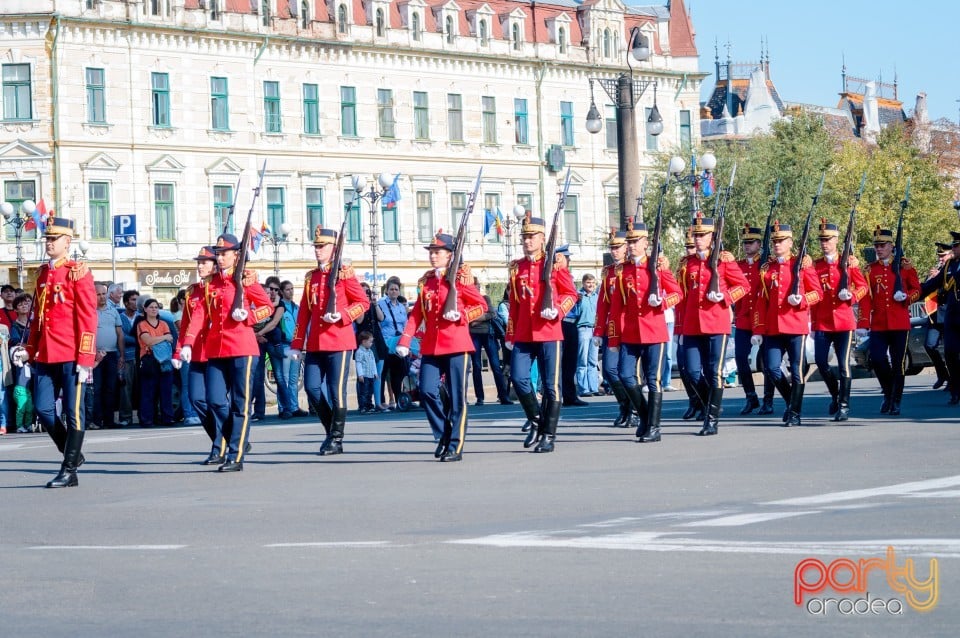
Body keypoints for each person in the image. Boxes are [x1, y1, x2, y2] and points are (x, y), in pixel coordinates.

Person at [11, 217, 97, 488]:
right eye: (46, 239)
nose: (48, 243)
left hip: (72, 354)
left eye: (54, 239)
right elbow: (38, 318)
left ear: (67, 242)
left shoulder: (77, 272)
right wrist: (29, 350)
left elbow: (87, 317)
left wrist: (86, 357)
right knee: (43, 408)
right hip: (47, 354)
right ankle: (72, 453)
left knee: (74, 412)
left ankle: (69, 469)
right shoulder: (44, 274)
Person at [179, 233, 272, 472]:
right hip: (217, 349)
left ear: (236, 255)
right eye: (218, 254)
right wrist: (188, 342)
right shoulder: (212, 283)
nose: (220, 258)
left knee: (239, 404)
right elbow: (200, 314)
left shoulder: (245, 279)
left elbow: (267, 307)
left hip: (242, 348)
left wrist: (249, 317)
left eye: (224, 254)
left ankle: (235, 455)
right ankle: (234, 440)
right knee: (215, 401)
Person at [395, 230, 486, 461]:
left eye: (438, 252)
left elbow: (481, 306)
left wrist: (462, 315)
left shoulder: (460, 279)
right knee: (426, 390)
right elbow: (417, 314)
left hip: (456, 344)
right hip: (432, 346)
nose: (433, 256)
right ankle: (443, 433)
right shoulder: (426, 281)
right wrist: (405, 339)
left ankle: (455, 445)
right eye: (432, 252)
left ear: (450, 255)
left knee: (456, 398)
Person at [290, 225, 370, 455]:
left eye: (322, 246)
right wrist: (297, 344)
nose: (317, 250)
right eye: (315, 246)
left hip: (339, 341)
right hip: (315, 342)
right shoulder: (311, 278)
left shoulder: (345, 274)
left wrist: (343, 315)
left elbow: (363, 303)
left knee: (336, 391)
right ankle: (330, 430)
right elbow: (304, 312)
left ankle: (336, 438)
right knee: (312, 388)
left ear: (334, 249)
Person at [505, 213, 578, 453]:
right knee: (518, 378)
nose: (527, 241)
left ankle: (549, 435)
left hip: (549, 332)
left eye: (532, 236)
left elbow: (570, 294)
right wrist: (510, 334)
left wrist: (557, 311)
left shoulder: (554, 264)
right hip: (524, 334)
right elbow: (514, 305)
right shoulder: (517, 268)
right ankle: (537, 420)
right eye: (524, 237)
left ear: (542, 238)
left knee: (550, 386)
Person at [605, 219, 682, 442]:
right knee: (625, 375)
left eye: (635, 241)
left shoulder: (657, 266)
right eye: (628, 242)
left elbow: (677, 293)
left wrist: (662, 301)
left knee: (652, 380)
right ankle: (647, 415)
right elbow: (616, 306)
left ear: (646, 242)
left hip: (654, 332)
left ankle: (654, 428)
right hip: (630, 333)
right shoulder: (622, 271)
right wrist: (613, 339)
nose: (630, 245)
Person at [676, 212, 750, 436]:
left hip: (716, 323)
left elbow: (744, 286)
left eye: (703, 235)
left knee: (714, 371)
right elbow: (682, 294)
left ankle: (712, 419)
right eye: (695, 235)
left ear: (712, 237)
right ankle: (710, 402)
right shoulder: (687, 264)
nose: (698, 239)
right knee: (691, 371)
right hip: (691, 324)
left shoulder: (723, 261)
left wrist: (725, 297)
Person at [752, 221, 823, 426]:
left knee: (796, 369)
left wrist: (802, 300)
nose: (777, 244)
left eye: (781, 241)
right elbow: (760, 301)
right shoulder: (767, 268)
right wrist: (757, 328)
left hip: (795, 325)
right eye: (775, 241)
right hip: (772, 327)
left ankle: (794, 413)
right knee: (773, 368)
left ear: (790, 242)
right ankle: (792, 401)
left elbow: (817, 293)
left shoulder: (801, 265)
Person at [857, 226, 922, 415]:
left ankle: (896, 400)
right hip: (879, 323)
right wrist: (863, 323)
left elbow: (917, 289)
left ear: (891, 246)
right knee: (876, 359)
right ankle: (887, 392)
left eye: (882, 245)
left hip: (899, 323)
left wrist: (907, 297)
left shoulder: (905, 267)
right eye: (876, 245)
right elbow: (866, 299)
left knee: (898, 362)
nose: (879, 249)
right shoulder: (870, 270)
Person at [810, 220, 868, 421]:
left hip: (844, 322)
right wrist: (813, 322)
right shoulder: (816, 266)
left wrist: (851, 296)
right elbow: (813, 295)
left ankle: (844, 405)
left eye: (828, 239)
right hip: (823, 322)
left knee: (843, 364)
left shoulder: (848, 264)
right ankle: (835, 394)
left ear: (836, 240)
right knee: (820, 361)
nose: (824, 243)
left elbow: (863, 287)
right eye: (822, 240)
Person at [174, 246, 221, 462]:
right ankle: (223, 436)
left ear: (215, 265)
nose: (200, 266)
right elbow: (185, 325)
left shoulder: (221, 287)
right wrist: (178, 351)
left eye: (205, 262)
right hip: (195, 353)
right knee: (196, 398)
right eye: (199, 262)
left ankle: (221, 443)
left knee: (216, 400)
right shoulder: (192, 292)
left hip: (216, 352)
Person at [593, 229, 632, 427]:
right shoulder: (608, 272)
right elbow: (603, 303)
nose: (614, 251)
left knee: (628, 372)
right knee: (609, 370)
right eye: (612, 247)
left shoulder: (632, 268)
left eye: (618, 247)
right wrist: (598, 330)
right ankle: (624, 406)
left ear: (626, 248)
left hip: (631, 327)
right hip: (613, 327)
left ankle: (633, 410)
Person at [733, 224, 770, 415]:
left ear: (759, 244)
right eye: (745, 243)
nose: (747, 246)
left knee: (767, 362)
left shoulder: (765, 264)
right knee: (740, 358)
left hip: (763, 320)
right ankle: (750, 396)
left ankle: (768, 399)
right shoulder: (738, 265)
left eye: (751, 242)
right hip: (743, 319)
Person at [919, 232, 960, 405]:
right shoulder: (949, 265)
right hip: (952, 316)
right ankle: (955, 389)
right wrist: (912, 293)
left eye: (957, 246)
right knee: (950, 353)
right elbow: (932, 285)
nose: (954, 248)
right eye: (954, 245)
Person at [466, 277, 511, 406]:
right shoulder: (467, 300)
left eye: (478, 285)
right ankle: (480, 397)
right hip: (473, 336)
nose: (478, 287)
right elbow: (466, 318)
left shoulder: (485, 298)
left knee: (496, 366)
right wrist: (480, 318)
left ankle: (503, 396)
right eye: (475, 285)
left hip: (488, 335)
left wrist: (475, 320)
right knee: (477, 366)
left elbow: (491, 313)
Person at [555, 245, 586, 407]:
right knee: (561, 362)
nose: (569, 260)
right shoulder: (557, 273)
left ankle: (570, 395)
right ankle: (559, 394)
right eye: (567, 258)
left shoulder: (567, 275)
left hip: (571, 323)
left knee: (570, 362)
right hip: (561, 322)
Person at [89, 283, 124, 429]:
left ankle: (109, 420)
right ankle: (96, 420)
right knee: (96, 389)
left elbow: (120, 334)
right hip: (95, 356)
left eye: (104, 294)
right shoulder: (90, 312)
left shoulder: (114, 311)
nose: (102, 297)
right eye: (98, 294)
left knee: (110, 388)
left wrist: (121, 355)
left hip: (111, 355)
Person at [137, 297, 175, 427]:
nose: (154, 309)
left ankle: (167, 418)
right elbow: (147, 340)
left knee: (166, 391)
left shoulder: (164, 324)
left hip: (164, 360)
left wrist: (156, 340)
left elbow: (170, 339)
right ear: (145, 309)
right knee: (148, 391)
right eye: (151, 307)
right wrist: (162, 338)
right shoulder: (142, 324)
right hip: (149, 359)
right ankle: (147, 419)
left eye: (156, 307)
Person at [256, 276, 287, 419]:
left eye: (275, 289)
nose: (272, 292)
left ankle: (286, 408)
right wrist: (257, 336)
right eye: (270, 289)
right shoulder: (257, 304)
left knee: (279, 376)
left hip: (273, 342)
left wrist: (258, 334)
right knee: (258, 376)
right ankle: (259, 411)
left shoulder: (279, 304)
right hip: (259, 342)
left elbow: (274, 323)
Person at [923, 243, 953, 392]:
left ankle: (953, 381)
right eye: (939, 256)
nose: (941, 259)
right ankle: (943, 374)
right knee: (929, 345)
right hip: (934, 315)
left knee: (951, 350)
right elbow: (926, 289)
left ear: (951, 254)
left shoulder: (953, 268)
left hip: (950, 313)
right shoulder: (937, 271)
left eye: (943, 255)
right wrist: (930, 278)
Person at [375, 278, 408, 411]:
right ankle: (381, 402)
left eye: (396, 289)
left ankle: (399, 399)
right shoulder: (381, 304)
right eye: (391, 289)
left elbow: (405, 324)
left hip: (398, 342)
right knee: (383, 373)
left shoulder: (401, 307)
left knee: (398, 373)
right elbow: (379, 320)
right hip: (385, 341)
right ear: (386, 291)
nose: (394, 291)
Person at [279, 280, 307, 417]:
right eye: (288, 289)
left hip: (296, 346)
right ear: (282, 292)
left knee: (294, 378)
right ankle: (284, 407)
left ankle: (294, 406)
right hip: (284, 345)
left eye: (292, 289)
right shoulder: (280, 307)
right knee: (283, 377)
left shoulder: (296, 307)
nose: (291, 291)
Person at [9, 294, 34, 433]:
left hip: (36, 361)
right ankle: (20, 425)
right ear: (16, 309)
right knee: (22, 393)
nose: (25, 306)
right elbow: (15, 342)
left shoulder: (35, 322)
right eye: (20, 304)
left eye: (27, 303)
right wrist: (28, 346)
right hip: (23, 363)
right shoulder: (15, 326)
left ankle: (32, 422)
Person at [117, 289, 140, 427]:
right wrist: (139, 339)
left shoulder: (140, 317)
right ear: (126, 302)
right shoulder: (120, 317)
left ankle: (144, 415)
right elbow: (121, 337)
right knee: (125, 388)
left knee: (142, 388)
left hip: (141, 357)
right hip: (126, 357)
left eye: (137, 299)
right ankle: (125, 417)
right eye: (133, 299)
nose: (135, 302)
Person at [576, 273, 600, 397]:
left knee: (593, 360)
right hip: (583, 329)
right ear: (583, 283)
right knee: (582, 360)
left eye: (593, 283)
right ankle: (583, 388)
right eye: (588, 282)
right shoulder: (579, 296)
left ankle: (594, 387)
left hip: (595, 330)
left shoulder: (597, 297)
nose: (591, 285)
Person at [355, 331, 377, 413]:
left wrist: (375, 372)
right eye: (370, 341)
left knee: (370, 392)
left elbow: (373, 362)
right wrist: (360, 374)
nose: (371, 343)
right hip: (364, 376)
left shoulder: (370, 352)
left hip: (370, 375)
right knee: (363, 392)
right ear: (364, 341)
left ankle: (369, 405)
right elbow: (358, 363)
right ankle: (363, 406)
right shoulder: (359, 352)